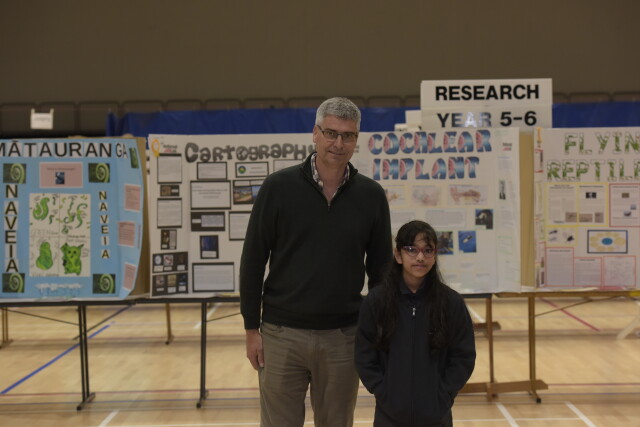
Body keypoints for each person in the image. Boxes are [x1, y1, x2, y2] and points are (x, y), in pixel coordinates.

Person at [240, 97, 392, 427]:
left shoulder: (371, 196)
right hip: (281, 335)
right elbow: (252, 260)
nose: (338, 143)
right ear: (315, 133)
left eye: (348, 135)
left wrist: (378, 329)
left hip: (343, 338)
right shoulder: (278, 188)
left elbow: (381, 271)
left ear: (356, 139)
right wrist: (252, 329)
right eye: (331, 133)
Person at [355, 220, 476, 427]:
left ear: (434, 256)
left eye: (427, 250)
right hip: (389, 416)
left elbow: (463, 357)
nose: (420, 257)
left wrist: (443, 395)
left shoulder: (451, 303)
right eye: (412, 249)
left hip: (436, 416)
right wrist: (383, 392)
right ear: (398, 255)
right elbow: (364, 354)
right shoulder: (376, 301)